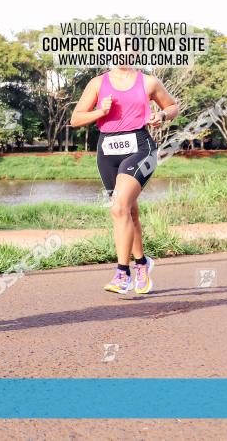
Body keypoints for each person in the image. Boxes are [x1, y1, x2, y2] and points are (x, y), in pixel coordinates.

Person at [71, 65, 178, 294]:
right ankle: (142, 264)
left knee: (118, 208)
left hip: (140, 147)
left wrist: (160, 115)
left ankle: (122, 273)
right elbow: (76, 119)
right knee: (128, 212)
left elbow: (172, 107)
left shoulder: (149, 82)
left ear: (136, 52)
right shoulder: (97, 83)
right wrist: (100, 111)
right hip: (107, 150)